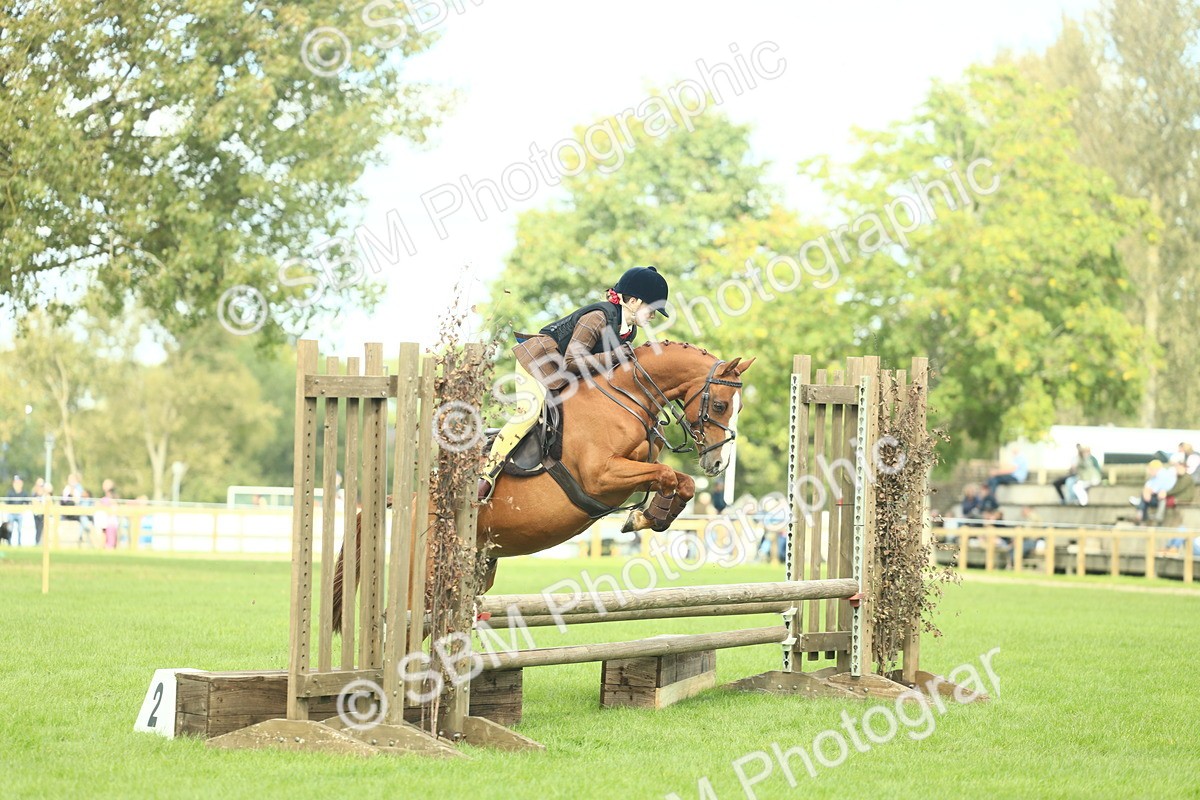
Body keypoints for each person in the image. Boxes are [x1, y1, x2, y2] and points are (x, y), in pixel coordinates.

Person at [478, 266, 670, 501]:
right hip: (539, 363)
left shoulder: (628, 332)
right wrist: (616, 355)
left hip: (565, 375)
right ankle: (486, 475)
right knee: (529, 414)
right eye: (652, 309)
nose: (653, 316)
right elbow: (572, 361)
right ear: (633, 301)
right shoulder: (598, 317)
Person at [6, 474, 28, 543]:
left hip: (20, 514)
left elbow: (27, 503)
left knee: (20, 529)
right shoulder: (10, 492)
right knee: (10, 529)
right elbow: (7, 503)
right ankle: (9, 542)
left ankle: (19, 543)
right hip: (11, 513)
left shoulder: (24, 493)